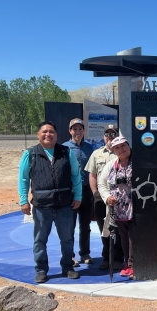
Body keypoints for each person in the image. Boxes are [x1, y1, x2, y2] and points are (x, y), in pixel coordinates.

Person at [18, 121, 82, 283]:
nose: (48, 134)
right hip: (41, 206)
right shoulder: (30, 154)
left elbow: (76, 176)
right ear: (38, 134)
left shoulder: (66, 152)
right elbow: (23, 179)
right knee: (40, 241)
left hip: (64, 205)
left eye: (51, 131)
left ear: (57, 134)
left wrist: (78, 197)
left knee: (67, 239)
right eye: (44, 131)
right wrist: (24, 200)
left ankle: (67, 267)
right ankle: (41, 270)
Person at [84, 124, 124, 270]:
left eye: (113, 134)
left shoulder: (121, 152)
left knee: (120, 227)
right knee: (104, 228)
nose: (110, 137)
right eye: (107, 134)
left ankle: (119, 258)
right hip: (101, 197)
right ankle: (107, 257)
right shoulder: (96, 154)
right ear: (104, 136)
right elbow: (92, 174)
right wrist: (95, 192)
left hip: (120, 197)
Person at [98, 136, 134, 278]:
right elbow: (101, 184)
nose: (121, 149)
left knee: (134, 237)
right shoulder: (111, 165)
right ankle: (127, 263)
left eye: (123, 145)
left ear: (128, 146)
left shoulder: (137, 162)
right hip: (119, 210)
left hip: (136, 208)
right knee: (124, 238)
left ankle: (133, 265)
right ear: (113, 151)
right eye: (117, 147)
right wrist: (107, 197)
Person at [62, 118, 94, 267]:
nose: (78, 132)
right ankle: (70, 256)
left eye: (80, 129)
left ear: (84, 131)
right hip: (71, 193)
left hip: (86, 191)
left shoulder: (90, 148)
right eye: (74, 129)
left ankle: (85, 253)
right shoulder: (64, 148)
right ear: (70, 131)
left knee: (85, 226)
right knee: (70, 227)